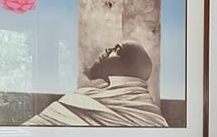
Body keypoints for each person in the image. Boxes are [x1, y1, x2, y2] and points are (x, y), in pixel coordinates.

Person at [25, 41, 168, 128]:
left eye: (117, 50)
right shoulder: (87, 98)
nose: (107, 50)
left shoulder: (149, 117)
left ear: (129, 69)